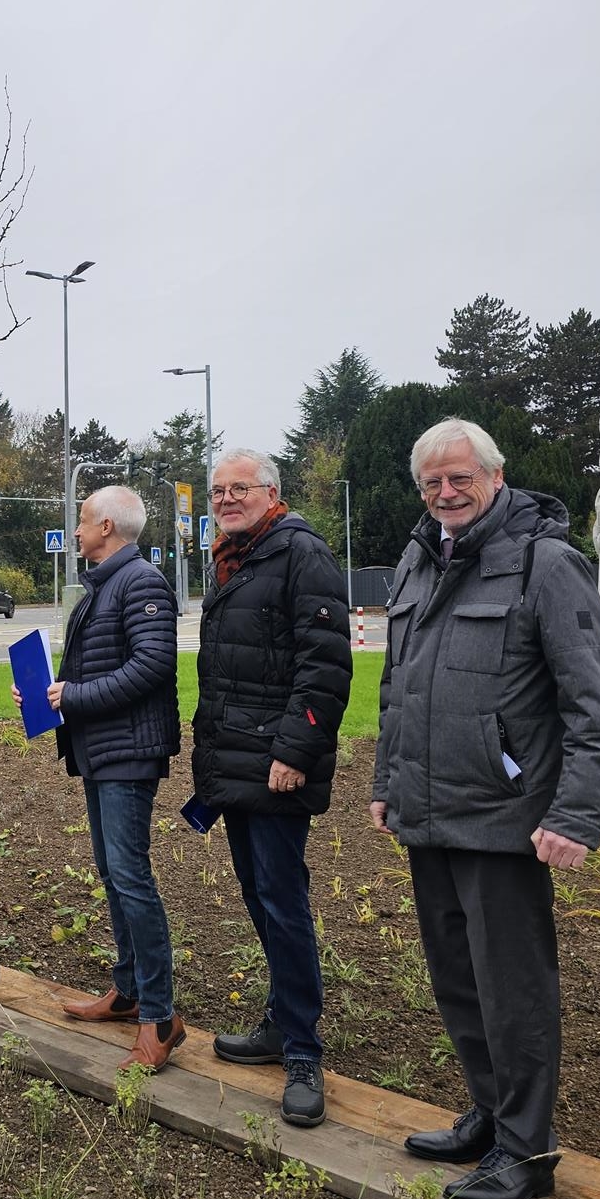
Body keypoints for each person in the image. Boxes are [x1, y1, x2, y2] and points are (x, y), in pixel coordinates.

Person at [372, 418, 600, 1199]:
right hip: (429, 812)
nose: (446, 493)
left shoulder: (546, 564)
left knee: (514, 989)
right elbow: (399, 685)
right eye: (432, 482)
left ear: (496, 476)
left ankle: (528, 1146)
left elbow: (593, 704)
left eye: (460, 478)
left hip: (508, 820)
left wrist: (576, 815)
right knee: (458, 980)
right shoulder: (417, 558)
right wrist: (387, 780)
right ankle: (490, 1113)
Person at [193, 449, 352, 1127]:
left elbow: (325, 667)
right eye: (218, 491)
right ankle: (280, 1021)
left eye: (240, 489)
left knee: (283, 903)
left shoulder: (299, 554)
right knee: (260, 898)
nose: (227, 499)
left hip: (275, 765)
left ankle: (303, 1051)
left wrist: (294, 750)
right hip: (235, 762)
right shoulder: (231, 557)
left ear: (271, 493)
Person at [14, 485, 184, 1070]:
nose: (77, 529)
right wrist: (45, 695)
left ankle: (160, 1017)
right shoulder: (107, 584)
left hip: (127, 754)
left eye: (82, 520)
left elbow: (153, 665)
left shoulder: (141, 583)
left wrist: (75, 695)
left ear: (107, 526)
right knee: (114, 873)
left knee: (131, 877)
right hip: (102, 749)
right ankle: (130, 990)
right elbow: (99, 666)